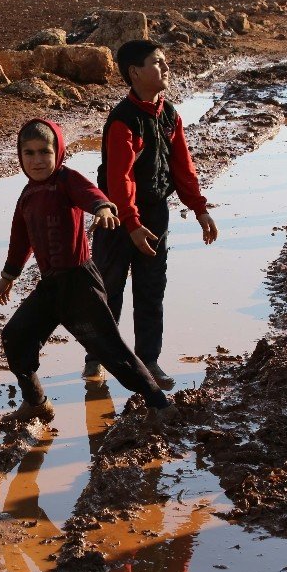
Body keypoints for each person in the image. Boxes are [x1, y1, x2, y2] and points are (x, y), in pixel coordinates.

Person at [0, 118, 177, 424]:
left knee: (111, 350)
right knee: (16, 337)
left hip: (80, 285)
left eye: (44, 152)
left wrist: (104, 209)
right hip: (51, 287)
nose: (38, 160)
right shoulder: (27, 195)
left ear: (58, 152)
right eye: (30, 153)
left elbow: (92, 195)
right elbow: (20, 239)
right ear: (20, 156)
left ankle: (160, 404)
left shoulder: (68, 180)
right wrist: (8, 276)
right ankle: (36, 401)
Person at [84, 40, 218, 390]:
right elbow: (120, 178)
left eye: (165, 60)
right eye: (157, 62)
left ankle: (149, 362)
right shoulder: (123, 121)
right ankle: (97, 357)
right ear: (135, 73)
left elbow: (183, 168)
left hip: (155, 214)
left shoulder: (170, 115)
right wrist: (132, 224)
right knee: (109, 289)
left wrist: (200, 209)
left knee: (151, 289)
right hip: (116, 218)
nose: (166, 67)